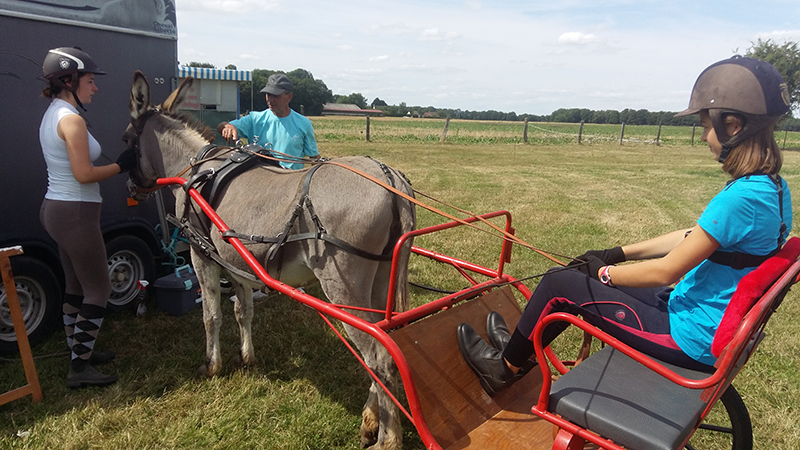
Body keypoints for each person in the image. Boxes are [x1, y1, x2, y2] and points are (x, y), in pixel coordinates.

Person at [458, 55, 793, 396]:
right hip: (698, 318)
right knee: (574, 277)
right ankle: (518, 349)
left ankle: (504, 368)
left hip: (688, 337)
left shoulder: (741, 198)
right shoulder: (773, 189)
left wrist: (604, 273)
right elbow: (691, 237)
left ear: (733, 125)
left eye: (707, 126)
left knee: (559, 283)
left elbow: (665, 271)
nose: (705, 136)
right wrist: (616, 253)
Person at [39, 47, 137, 388]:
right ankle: (79, 370)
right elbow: (83, 174)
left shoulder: (54, 112)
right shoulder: (72, 120)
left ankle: (79, 352)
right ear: (70, 81)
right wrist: (121, 166)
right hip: (75, 213)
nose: (95, 87)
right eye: (90, 80)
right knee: (99, 289)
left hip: (58, 209)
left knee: (76, 287)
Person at [217, 73, 320, 169]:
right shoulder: (254, 119)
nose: (270, 100)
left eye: (276, 95)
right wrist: (226, 126)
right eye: (268, 95)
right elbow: (221, 126)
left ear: (289, 97)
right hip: (259, 179)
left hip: (291, 180)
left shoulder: (303, 124)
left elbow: (314, 159)